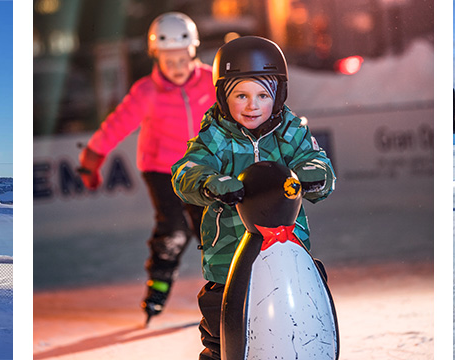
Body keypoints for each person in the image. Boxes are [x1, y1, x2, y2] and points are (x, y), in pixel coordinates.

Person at [171, 35, 337, 360]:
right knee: (224, 338)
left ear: (279, 94)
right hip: (228, 262)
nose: (253, 105)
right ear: (222, 96)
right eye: (241, 95)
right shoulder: (214, 137)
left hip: (287, 254)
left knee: (300, 325)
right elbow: (185, 171)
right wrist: (210, 182)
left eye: (263, 95)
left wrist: (313, 175)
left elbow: (317, 162)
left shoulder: (291, 132)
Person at [76, 12, 213, 322]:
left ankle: (226, 281)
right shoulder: (146, 92)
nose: (176, 68)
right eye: (168, 61)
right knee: (175, 228)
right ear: (156, 57)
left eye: (182, 60)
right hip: (162, 169)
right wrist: (92, 157)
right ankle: (159, 285)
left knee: (211, 226)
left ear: (193, 53)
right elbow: (117, 124)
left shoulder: (211, 80)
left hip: (204, 167)